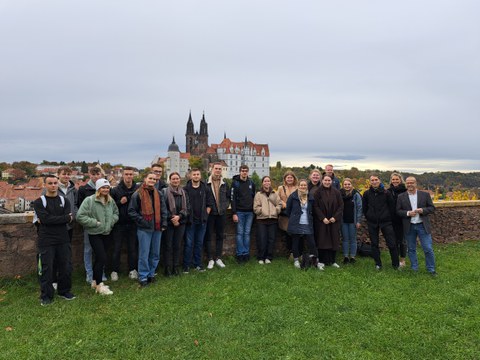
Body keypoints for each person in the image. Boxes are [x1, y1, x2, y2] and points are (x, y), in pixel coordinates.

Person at [33, 175, 75, 305]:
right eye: (50, 183)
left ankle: (64, 291)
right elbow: (46, 220)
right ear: (45, 185)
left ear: (58, 184)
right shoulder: (39, 202)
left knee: (66, 266)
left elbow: (66, 218)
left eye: (55, 183)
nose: (53, 185)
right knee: (47, 268)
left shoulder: (64, 200)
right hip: (46, 240)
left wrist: (51, 220)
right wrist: (63, 218)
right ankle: (46, 295)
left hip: (63, 238)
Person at [77, 179, 119, 295]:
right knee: (102, 258)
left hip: (107, 233)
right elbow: (80, 216)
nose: (105, 189)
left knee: (99, 259)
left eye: (107, 187)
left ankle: (95, 282)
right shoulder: (89, 201)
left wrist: (111, 221)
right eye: (103, 187)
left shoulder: (110, 200)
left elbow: (116, 213)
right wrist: (94, 223)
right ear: (98, 189)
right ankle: (100, 285)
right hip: (95, 233)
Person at [128, 172, 168, 286]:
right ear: (145, 179)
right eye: (150, 178)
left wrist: (164, 223)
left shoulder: (158, 193)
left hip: (157, 227)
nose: (152, 181)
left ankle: (151, 274)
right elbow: (131, 211)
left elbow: (163, 210)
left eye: (154, 179)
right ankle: (143, 277)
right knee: (144, 254)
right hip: (144, 228)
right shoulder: (138, 194)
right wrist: (142, 221)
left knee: (155, 253)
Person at [41, 166, 77, 290]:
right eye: (64, 174)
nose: (66, 176)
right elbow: (45, 213)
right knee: (52, 257)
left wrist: (74, 216)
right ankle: (54, 280)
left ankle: (64, 279)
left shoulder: (73, 189)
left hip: (69, 227)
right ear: (58, 175)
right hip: (52, 230)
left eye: (68, 174)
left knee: (64, 256)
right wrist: (64, 218)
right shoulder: (49, 190)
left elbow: (75, 205)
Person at [396, 176, 437, 276]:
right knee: (411, 249)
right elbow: (398, 211)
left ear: (416, 183)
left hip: (422, 225)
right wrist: (408, 213)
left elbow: (432, 208)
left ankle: (431, 270)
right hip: (409, 226)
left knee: (428, 248)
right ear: (406, 184)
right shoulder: (401, 196)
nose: (410, 184)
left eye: (412, 182)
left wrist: (423, 210)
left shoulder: (425, 195)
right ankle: (414, 268)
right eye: (408, 183)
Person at [362, 174, 399, 270]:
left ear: (379, 181)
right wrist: (369, 216)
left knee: (391, 243)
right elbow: (365, 208)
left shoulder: (386, 193)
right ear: (370, 182)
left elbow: (392, 208)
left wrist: (387, 217)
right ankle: (378, 264)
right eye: (372, 180)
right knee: (374, 244)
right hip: (372, 222)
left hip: (386, 221)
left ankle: (395, 264)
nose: (374, 182)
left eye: (376, 180)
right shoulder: (366, 194)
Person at [110, 166, 139, 281]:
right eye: (126, 174)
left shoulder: (137, 189)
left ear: (133, 175)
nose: (128, 176)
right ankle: (114, 271)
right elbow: (110, 207)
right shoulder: (116, 190)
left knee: (133, 248)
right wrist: (119, 202)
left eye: (130, 174)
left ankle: (132, 270)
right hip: (119, 224)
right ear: (122, 175)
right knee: (116, 248)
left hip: (132, 223)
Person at [183, 168, 213, 272]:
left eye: (198, 174)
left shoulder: (206, 188)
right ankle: (186, 265)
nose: (196, 176)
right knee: (189, 244)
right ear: (190, 176)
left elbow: (210, 204)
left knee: (199, 243)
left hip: (202, 221)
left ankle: (198, 264)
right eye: (194, 174)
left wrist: (205, 215)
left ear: (200, 176)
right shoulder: (185, 189)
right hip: (190, 221)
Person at [77, 167, 103, 284]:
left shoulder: (104, 188)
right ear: (89, 175)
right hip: (89, 224)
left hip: (102, 224)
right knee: (88, 249)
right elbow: (79, 208)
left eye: (98, 174)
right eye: (93, 174)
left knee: (101, 250)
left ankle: (101, 272)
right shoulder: (83, 189)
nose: (96, 176)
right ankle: (89, 273)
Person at [285, 179, 319, 269]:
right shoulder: (293, 196)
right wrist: (294, 217)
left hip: (307, 223)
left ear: (306, 186)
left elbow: (313, 210)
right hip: (296, 223)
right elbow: (288, 210)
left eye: (304, 185)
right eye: (301, 185)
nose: (303, 187)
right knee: (295, 242)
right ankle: (296, 260)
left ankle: (314, 261)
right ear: (298, 186)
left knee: (312, 243)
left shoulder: (310, 197)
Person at [163, 172, 190, 276]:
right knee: (168, 246)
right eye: (173, 179)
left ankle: (176, 267)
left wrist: (179, 216)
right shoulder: (165, 192)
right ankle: (167, 268)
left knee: (177, 246)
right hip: (169, 223)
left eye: (177, 179)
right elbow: (163, 208)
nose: (175, 180)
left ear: (180, 180)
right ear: (170, 180)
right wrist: (172, 217)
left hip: (181, 222)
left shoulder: (184, 192)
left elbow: (187, 208)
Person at [313, 175, 343, 268]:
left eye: (329, 180)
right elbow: (315, 206)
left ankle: (332, 261)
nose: (327, 182)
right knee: (322, 240)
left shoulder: (336, 192)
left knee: (334, 239)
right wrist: (322, 218)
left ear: (331, 181)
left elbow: (341, 206)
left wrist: (335, 217)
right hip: (322, 221)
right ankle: (321, 261)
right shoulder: (317, 192)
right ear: (322, 181)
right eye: (325, 180)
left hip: (333, 221)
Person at [205, 162, 230, 269]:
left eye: (220, 169)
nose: (218, 170)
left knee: (220, 236)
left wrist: (224, 207)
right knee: (208, 236)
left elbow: (228, 197)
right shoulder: (206, 183)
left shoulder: (225, 183)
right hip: (210, 214)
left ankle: (218, 258)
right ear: (212, 169)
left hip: (222, 213)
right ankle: (210, 259)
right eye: (216, 168)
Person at [253, 176, 282, 264]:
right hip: (262, 219)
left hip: (273, 219)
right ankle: (261, 257)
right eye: (265, 181)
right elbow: (255, 207)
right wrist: (261, 212)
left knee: (271, 239)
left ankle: (268, 257)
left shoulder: (274, 193)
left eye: (268, 181)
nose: (267, 183)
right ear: (262, 183)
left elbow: (279, 204)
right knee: (262, 239)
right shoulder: (259, 194)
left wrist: (276, 210)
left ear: (270, 183)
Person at [231, 164, 256, 263]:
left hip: (250, 212)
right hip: (239, 212)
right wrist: (234, 213)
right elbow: (232, 199)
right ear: (240, 172)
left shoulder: (251, 183)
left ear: (248, 172)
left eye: (246, 171)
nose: (244, 172)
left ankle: (246, 253)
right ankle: (239, 254)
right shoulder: (235, 183)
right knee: (240, 233)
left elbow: (254, 196)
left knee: (247, 233)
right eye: (242, 171)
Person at [340, 178, 363, 264]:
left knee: (353, 239)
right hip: (343, 221)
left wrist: (358, 221)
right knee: (345, 239)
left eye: (348, 184)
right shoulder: (340, 194)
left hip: (353, 221)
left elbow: (360, 208)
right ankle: (346, 256)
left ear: (351, 185)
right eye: (345, 184)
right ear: (343, 185)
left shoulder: (356, 194)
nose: (347, 186)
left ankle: (352, 256)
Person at [277, 170, 298, 259]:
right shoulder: (280, 188)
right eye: (288, 177)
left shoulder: (297, 187)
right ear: (285, 179)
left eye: (291, 177)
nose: (289, 179)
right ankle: (290, 252)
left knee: (296, 234)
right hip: (285, 215)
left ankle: (296, 252)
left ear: (294, 178)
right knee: (288, 234)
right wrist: (283, 203)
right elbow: (277, 199)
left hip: (295, 214)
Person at [388, 172, 408, 267]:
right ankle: (395, 260)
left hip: (403, 219)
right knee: (394, 241)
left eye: (397, 179)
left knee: (402, 241)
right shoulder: (388, 191)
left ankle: (402, 260)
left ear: (400, 180)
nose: (395, 181)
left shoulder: (405, 191)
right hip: (391, 219)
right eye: (393, 179)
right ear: (391, 181)